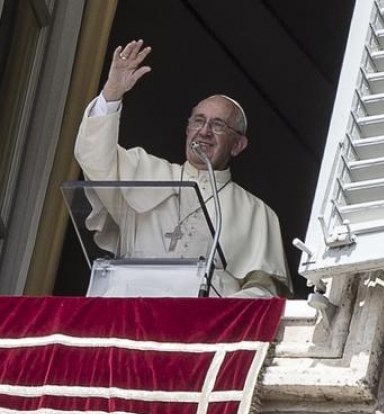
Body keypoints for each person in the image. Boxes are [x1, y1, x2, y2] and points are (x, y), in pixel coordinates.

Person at [74, 39, 290, 297]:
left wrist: (215, 311)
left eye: (218, 125)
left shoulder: (257, 213)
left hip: (202, 319)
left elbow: (263, 293)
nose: (204, 131)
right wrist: (111, 94)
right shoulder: (144, 171)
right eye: (198, 121)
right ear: (187, 129)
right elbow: (93, 157)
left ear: (237, 145)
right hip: (130, 307)